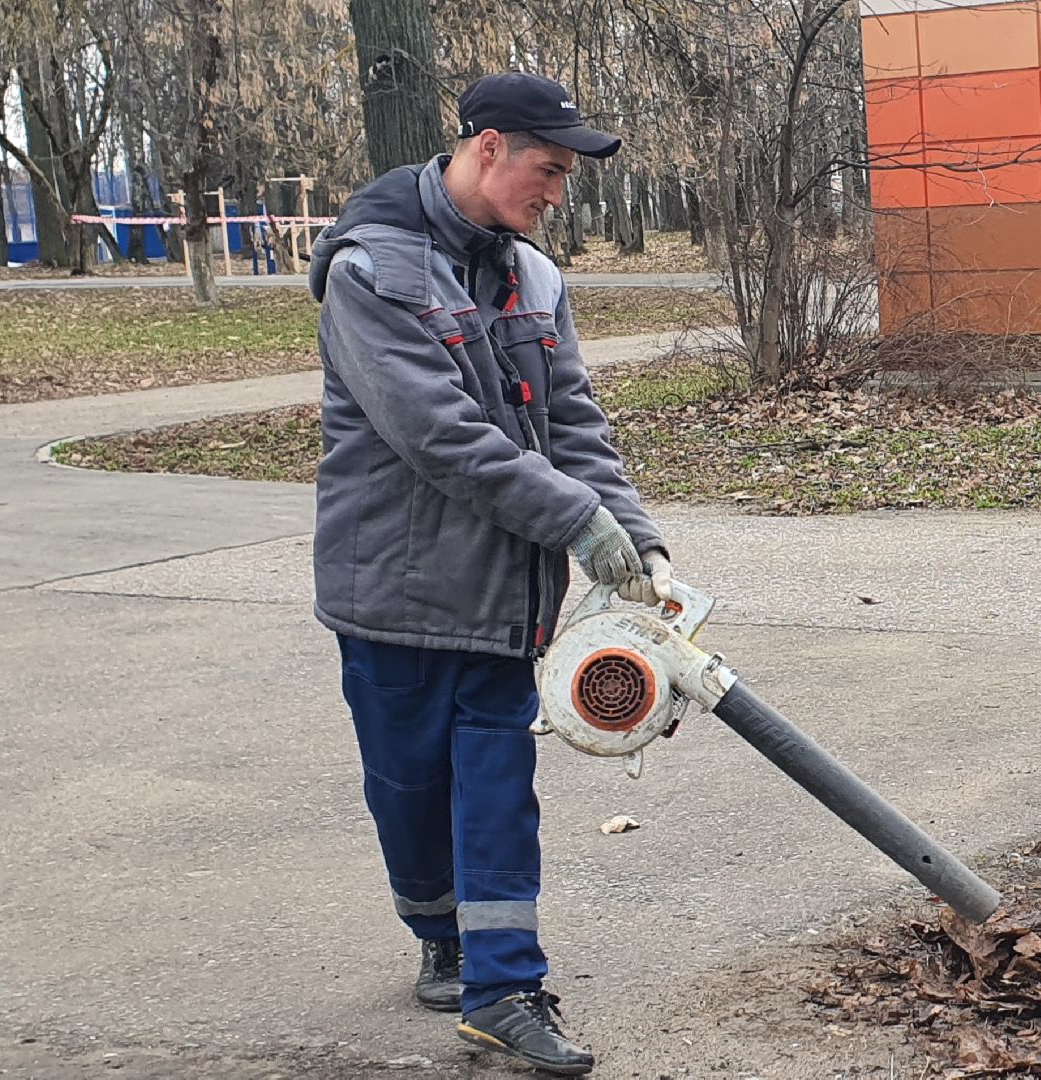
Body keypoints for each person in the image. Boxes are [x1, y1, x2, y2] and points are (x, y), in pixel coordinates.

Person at [305, 72, 670, 1076]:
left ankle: (503, 989)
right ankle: (438, 931)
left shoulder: (534, 279)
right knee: (408, 791)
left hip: (506, 599)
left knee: (498, 792)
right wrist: (575, 520)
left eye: (564, 176)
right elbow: (440, 435)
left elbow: (575, 427)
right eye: (546, 169)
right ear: (488, 146)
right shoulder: (371, 271)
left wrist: (637, 540)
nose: (555, 192)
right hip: (391, 592)